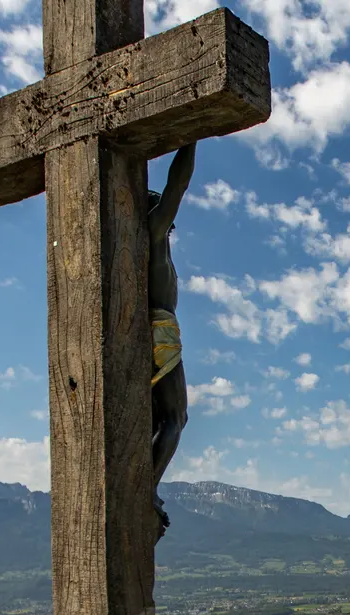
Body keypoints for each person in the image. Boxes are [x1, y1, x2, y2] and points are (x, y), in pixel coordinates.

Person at [146, 143, 196, 539]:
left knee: (155, 418)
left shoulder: (144, 244)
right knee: (175, 416)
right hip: (160, 330)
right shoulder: (154, 233)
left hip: (149, 327)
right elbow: (176, 187)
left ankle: (143, 481)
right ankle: (146, 485)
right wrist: (191, 136)